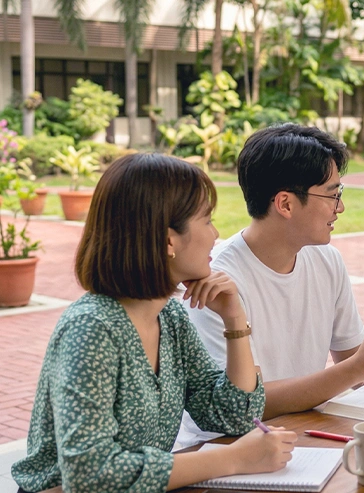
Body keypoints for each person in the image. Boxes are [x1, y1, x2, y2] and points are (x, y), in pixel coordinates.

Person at [12, 154, 296, 492]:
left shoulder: (170, 318)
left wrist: (235, 319)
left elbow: (233, 416)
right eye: (207, 221)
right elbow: (89, 474)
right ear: (167, 241)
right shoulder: (91, 330)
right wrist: (234, 459)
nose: (216, 234)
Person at [184, 124, 364, 422]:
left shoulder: (327, 260)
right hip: (232, 445)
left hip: (304, 431)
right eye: (333, 195)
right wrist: (359, 367)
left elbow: (353, 362)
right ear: (286, 204)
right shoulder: (218, 283)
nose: (340, 207)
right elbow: (243, 404)